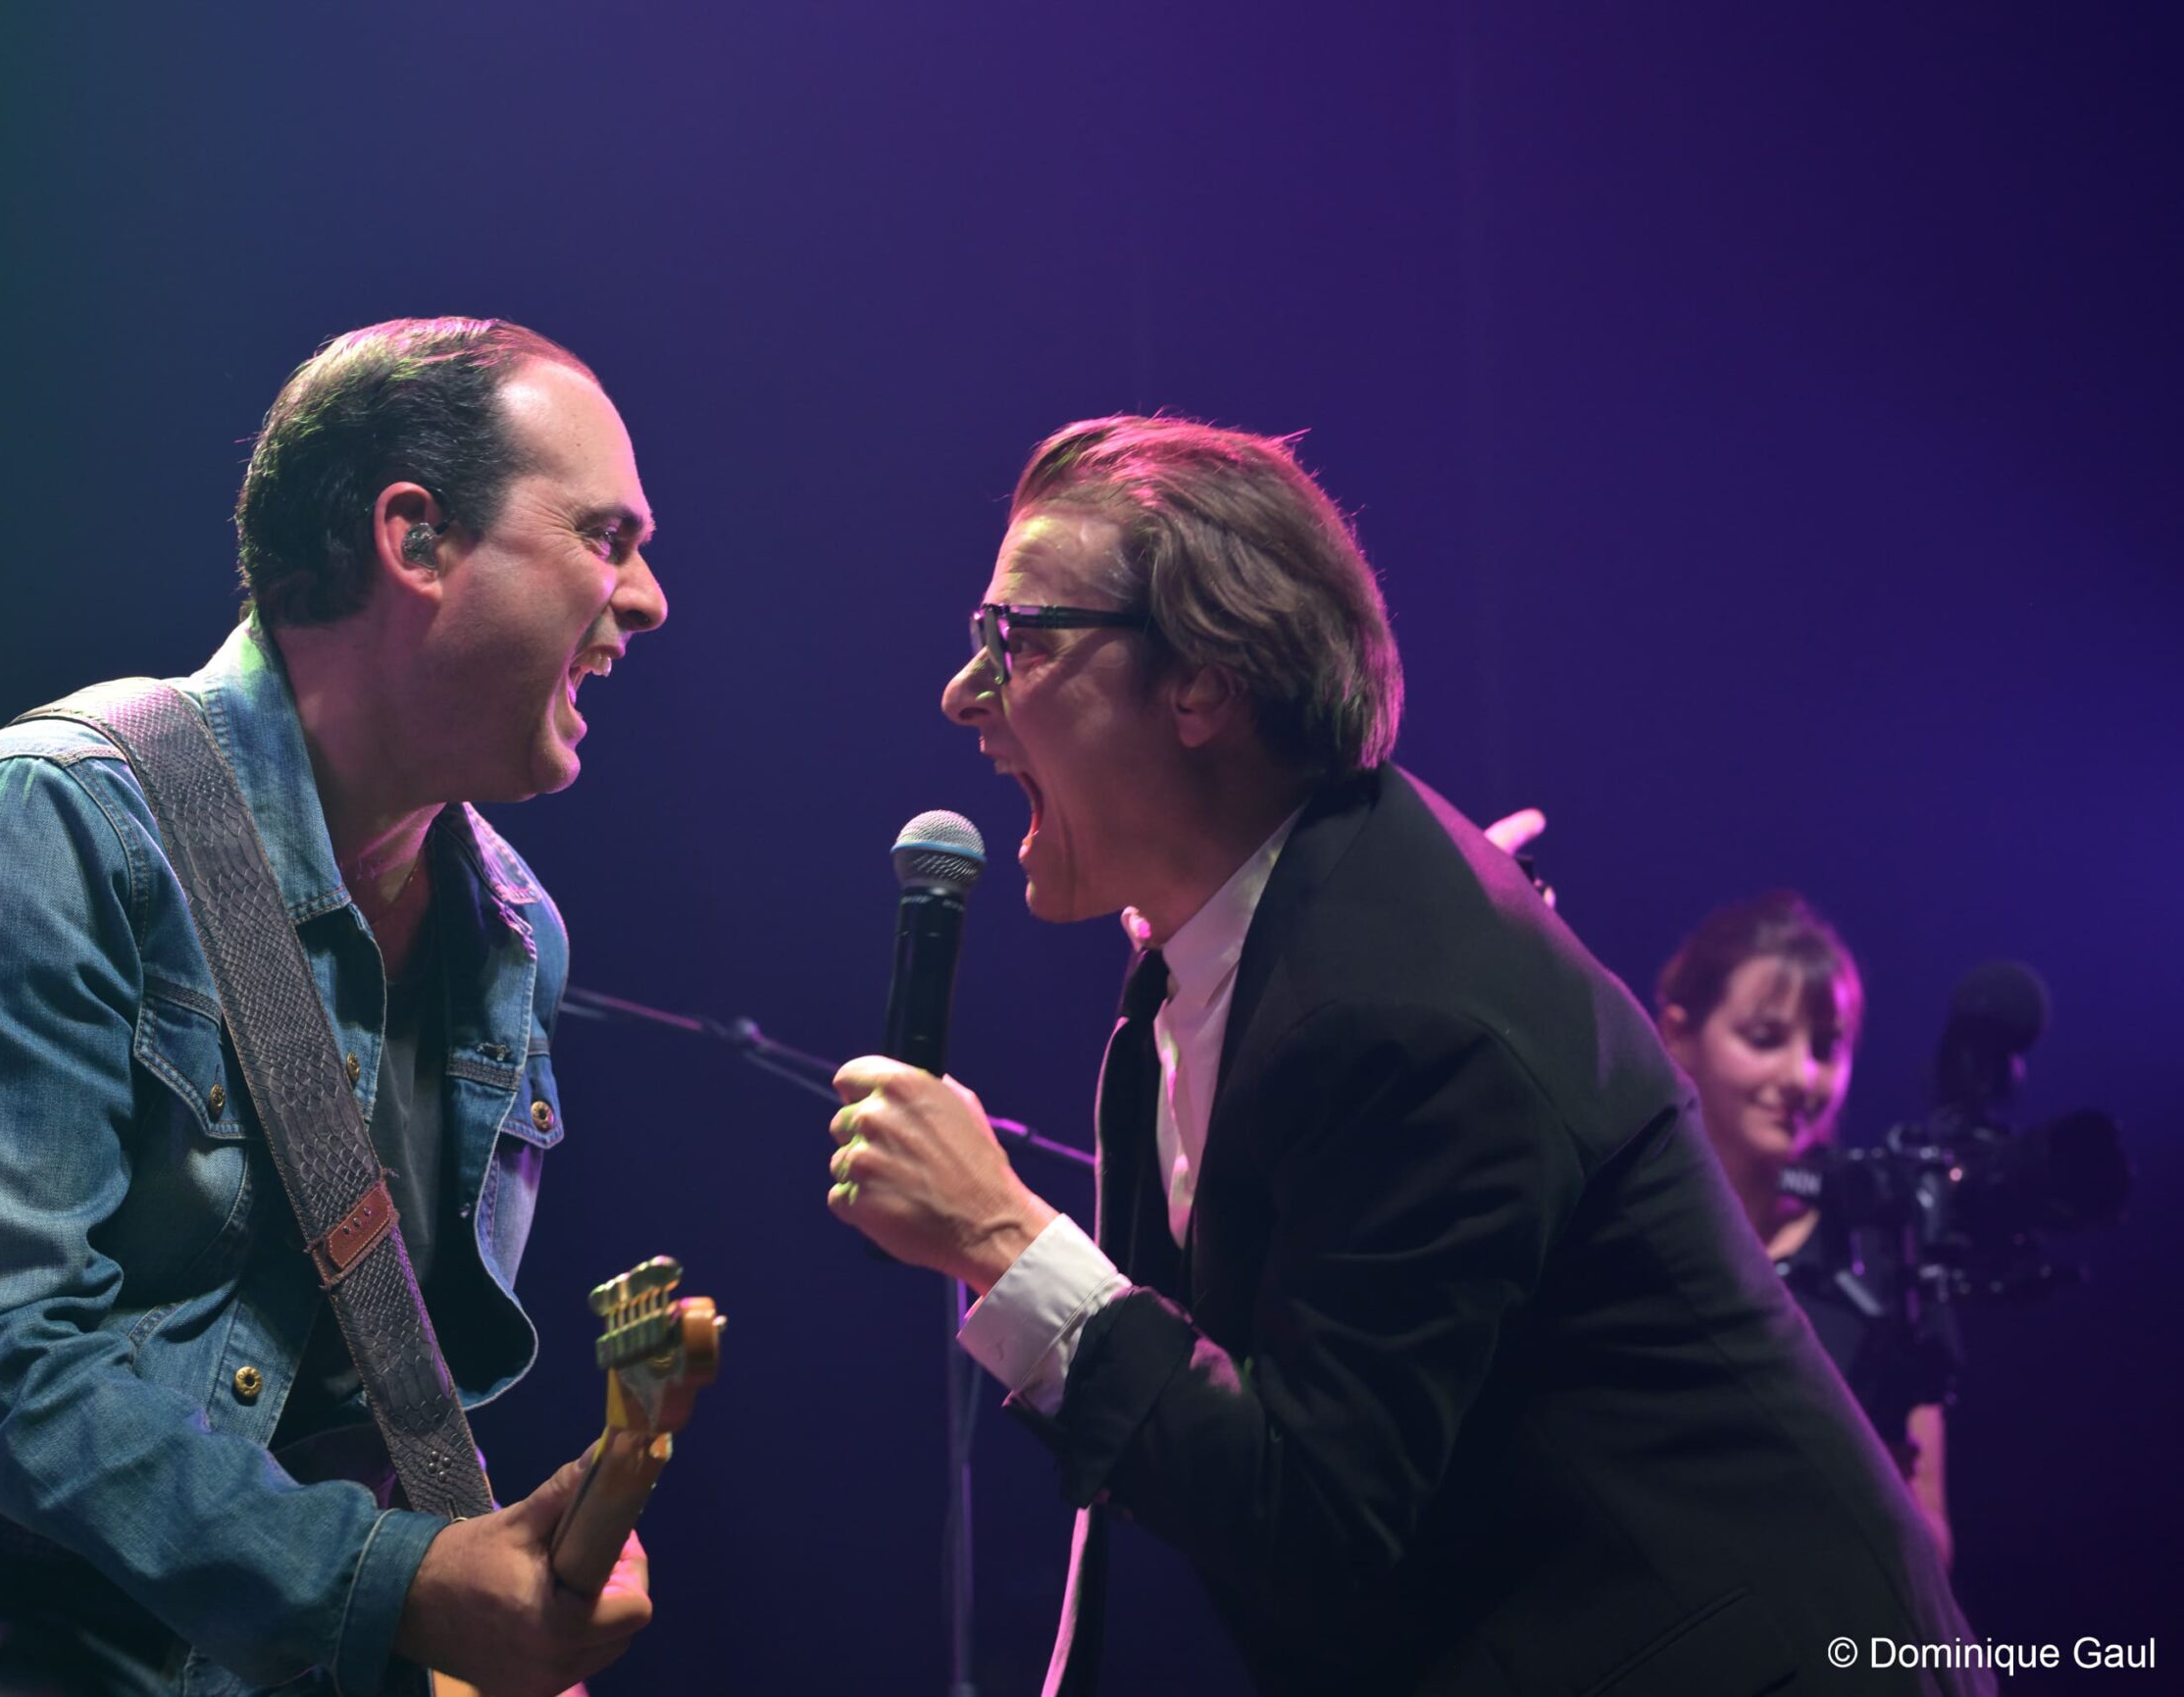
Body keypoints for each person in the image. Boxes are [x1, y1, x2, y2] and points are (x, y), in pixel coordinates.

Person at [821, 415, 1988, 1695]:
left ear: (1200, 682)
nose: (964, 692)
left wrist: (1003, 1238)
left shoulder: (1404, 1003)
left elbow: (1312, 1514)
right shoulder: (1235, 953)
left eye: (1017, 637)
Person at [0, 318, 665, 1696]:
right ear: (415, 537)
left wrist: (475, 1599)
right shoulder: (57, 818)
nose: (648, 600)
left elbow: (374, 1415)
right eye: (605, 538)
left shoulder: (516, 935)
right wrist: (396, 1581)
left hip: (244, 1638)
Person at [1656, 891, 1954, 1566]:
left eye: (1826, 1047)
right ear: (1677, 1035)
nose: (1802, 1076)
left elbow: (1931, 1548)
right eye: (1765, 1038)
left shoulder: (1885, 1255)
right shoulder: (1630, 1229)